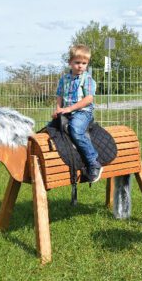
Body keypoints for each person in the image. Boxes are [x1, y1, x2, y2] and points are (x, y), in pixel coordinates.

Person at [52, 44, 103, 183]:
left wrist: (69, 109)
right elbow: (59, 95)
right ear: (70, 62)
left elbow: (88, 99)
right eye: (77, 62)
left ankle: (93, 162)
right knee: (50, 128)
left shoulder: (87, 79)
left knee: (75, 129)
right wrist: (58, 109)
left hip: (82, 112)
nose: (80, 66)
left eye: (84, 63)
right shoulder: (64, 79)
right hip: (66, 111)